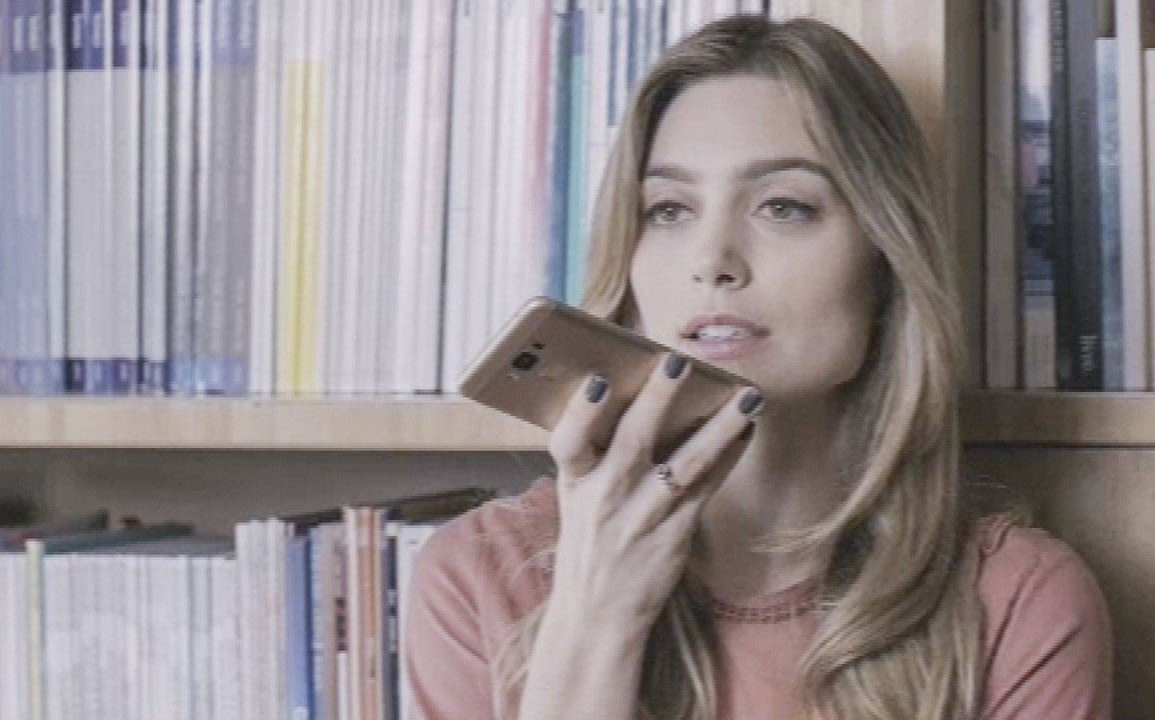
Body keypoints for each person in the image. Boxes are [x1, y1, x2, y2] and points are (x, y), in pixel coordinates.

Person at [404, 14, 1112, 720]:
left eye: (783, 206)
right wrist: (596, 617)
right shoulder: (480, 577)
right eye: (669, 210)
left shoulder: (1014, 602)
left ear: (886, 265)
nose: (712, 260)